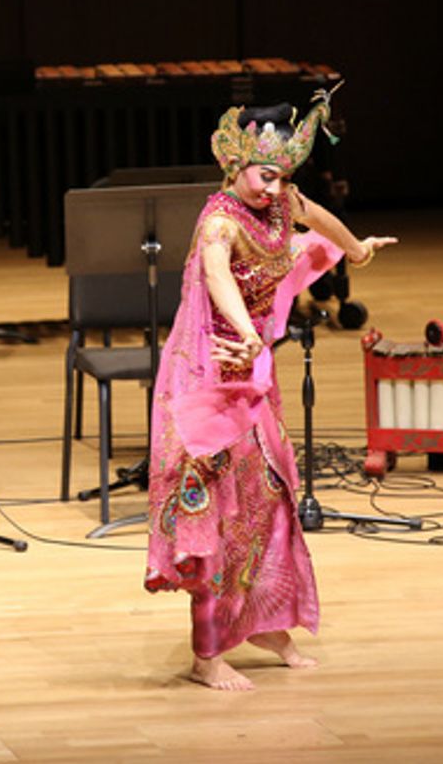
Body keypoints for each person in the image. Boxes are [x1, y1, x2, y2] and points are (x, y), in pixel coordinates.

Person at [144, 88, 396, 691]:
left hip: (251, 365)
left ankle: (267, 623)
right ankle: (207, 654)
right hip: (211, 368)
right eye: (265, 175)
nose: (275, 188)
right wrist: (246, 333)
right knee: (216, 507)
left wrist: (356, 250)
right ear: (234, 164)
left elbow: (316, 215)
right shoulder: (220, 221)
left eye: (283, 177)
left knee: (270, 491)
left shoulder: (281, 200)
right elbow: (216, 277)